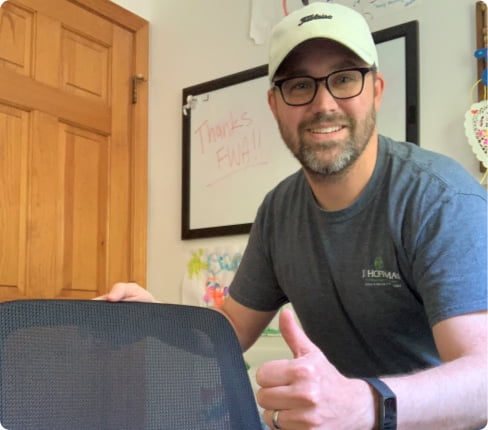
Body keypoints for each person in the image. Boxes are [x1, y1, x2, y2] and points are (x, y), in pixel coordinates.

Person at [98, 3, 487, 429]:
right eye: (300, 85)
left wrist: (365, 405)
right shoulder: (278, 211)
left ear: (376, 89)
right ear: (274, 104)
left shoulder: (439, 200)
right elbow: (231, 330)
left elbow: (482, 377)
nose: (324, 104)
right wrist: (156, 320)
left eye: (343, 79)